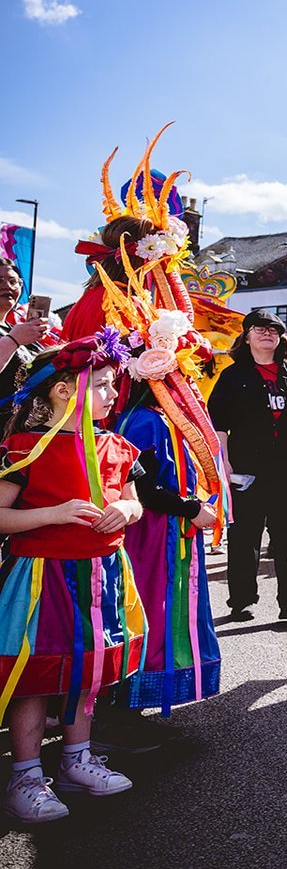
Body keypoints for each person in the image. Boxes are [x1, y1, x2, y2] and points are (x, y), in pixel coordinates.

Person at [0, 333, 145, 823]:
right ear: (63, 390)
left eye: (113, 385)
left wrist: (125, 509)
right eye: (102, 385)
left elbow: (135, 500)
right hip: (42, 578)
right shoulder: (25, 448)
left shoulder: (119, 446)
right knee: (35, 676)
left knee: (87, 673)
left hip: (101, 577)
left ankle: (75, 760)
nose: (112, 394)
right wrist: (53, 514)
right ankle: (25, 773)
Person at [109, 386, 222, 732]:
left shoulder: (153, 419)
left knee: (156, 607)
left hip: (164, 533)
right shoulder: (146, 422)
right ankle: (121, 709)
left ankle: (130, 702)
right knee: (150, 606)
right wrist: (190, 509)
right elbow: (145, 489)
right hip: (152, 536)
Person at [207, 310, 287, 622]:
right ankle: (242, 599)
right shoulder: (232, 378)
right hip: (247, 469)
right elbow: (218, 424)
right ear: (246, 336)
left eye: (274, 329)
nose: (267, 334)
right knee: (245, 537)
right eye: (259, 329)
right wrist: (225, 462)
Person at [0, 259, 49, 434]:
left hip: (19, 429)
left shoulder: (13, 329)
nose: (7, 286)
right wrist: (14, 340)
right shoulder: (15, 334)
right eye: (0, 280)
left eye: (13, 281)